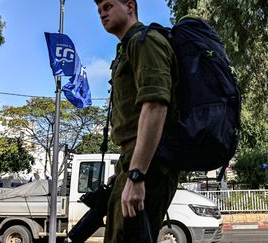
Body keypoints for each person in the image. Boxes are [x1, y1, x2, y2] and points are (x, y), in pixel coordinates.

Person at [94, 0, 180, 242]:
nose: (102, 14)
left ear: (130, 7)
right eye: (99, 10)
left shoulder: (146, 41)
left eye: (108, 6)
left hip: (150, 162)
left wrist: (137, 174)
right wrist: (127, 170)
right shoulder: (130, 46)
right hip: (135, 160)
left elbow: (155, 105)